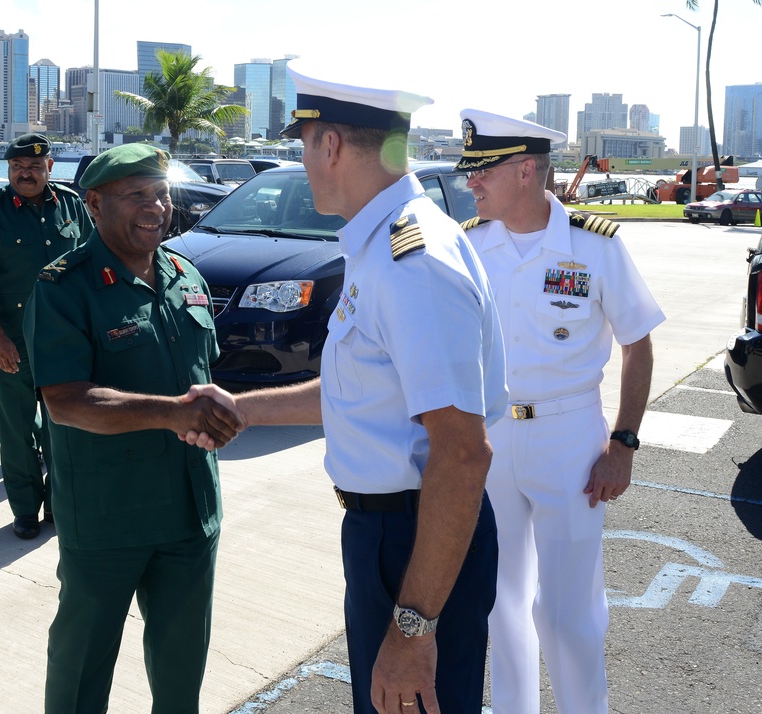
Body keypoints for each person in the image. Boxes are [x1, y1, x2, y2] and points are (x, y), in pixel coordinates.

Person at [185, 61, 507, 714]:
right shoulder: (381, 246)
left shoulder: (410, 263)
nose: (303, 162)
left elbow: (463, 452)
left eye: (303, 145)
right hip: (387, 536)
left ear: (329, 144)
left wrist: (413, 630)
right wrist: (243, 408)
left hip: (415, 538)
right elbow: (361, 395)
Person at [456, 109, 665, 714]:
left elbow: (638, 341)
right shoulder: (470, 245)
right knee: (500, 602)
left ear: (526, 171)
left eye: (482, 171)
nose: (471, 182)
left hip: (570, 438)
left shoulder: (593, 244)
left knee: (571, 612)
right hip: (492, 436)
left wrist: (622, 443)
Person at [21, 144, 242, 713]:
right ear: (94, 203)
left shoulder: (184, 273)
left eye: (162, 193)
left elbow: (203, 374)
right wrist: (172, 412)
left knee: (181, 666)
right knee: (81, 665)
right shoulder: (63, 286)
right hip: (108, 516)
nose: (157, 207)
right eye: (137, 195)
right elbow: (65, 401)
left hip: (191, 512)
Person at [0, 133, 93, 540]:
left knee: (61, 426)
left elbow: (88, 263)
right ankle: (24, 510)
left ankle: (57, 505)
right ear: (8, 170)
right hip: (10, 340)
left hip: (64, 341)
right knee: (16, 430)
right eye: (17, 167)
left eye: (34, 166)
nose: (25, 173)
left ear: (50, 166)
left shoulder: (71, 205)